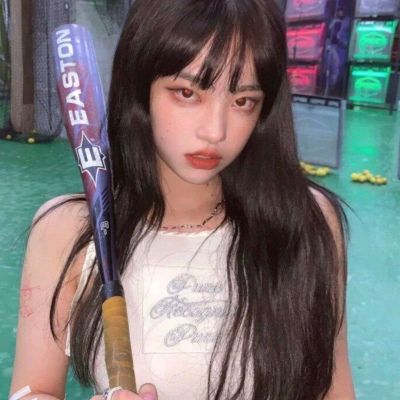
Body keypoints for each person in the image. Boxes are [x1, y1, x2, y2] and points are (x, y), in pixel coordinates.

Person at [9, 0, 355, 399]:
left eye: (243, 100)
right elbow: (32, 391)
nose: (215, 131)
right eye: (187, 93)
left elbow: (334, 387)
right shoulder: (67, 230)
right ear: (141, 89)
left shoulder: (308, 220)